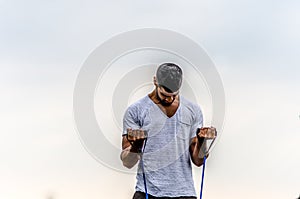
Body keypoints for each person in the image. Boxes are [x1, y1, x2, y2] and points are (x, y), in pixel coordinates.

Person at [120, 63, 216, 199]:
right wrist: (136, 145)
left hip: (184, 193)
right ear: (155, 82)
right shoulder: (136, 111)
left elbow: (198, 161)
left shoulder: (193, 110)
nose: (169, 99)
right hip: (148, 192)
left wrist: (202, 141)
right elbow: (126, 162)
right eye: (164, 94)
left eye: (173, 95)